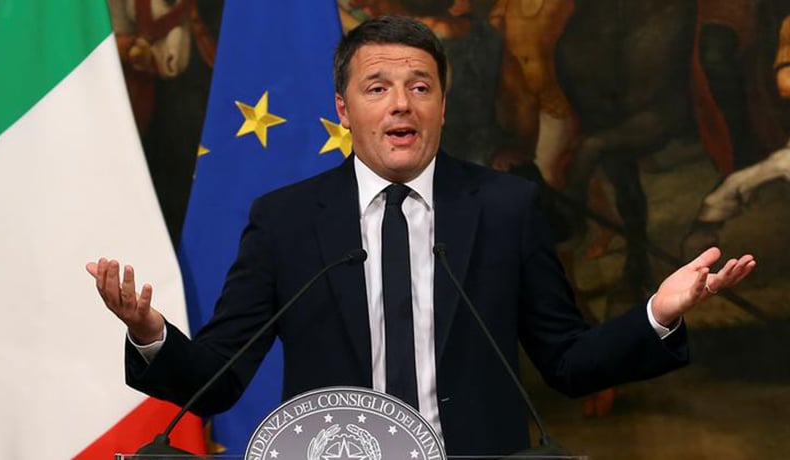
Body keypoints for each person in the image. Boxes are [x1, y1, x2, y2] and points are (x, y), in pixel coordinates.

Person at [87, 16, 756, 457]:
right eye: (377, 87)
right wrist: (150, 331)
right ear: (346, 111)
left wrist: (657, 315)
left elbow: (569, 363)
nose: (401, 103)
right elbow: (221, 379)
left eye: (420, 86)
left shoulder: (505, 206)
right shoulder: (286, 219)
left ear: (442, 104)